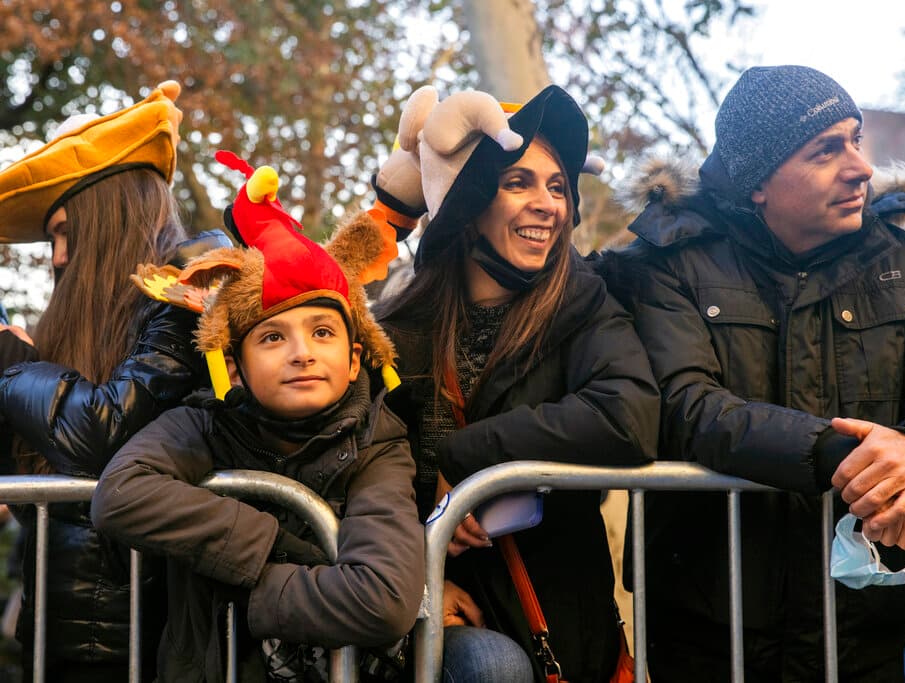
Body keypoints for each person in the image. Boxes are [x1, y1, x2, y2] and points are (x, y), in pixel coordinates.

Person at [601, 65, 905, 681]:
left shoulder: (903, 260)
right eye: (825, 150)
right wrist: (859, 463)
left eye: (856, 140)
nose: (860, 167)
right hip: (711, 625)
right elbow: (687, 404)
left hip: (865, 622)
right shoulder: (669, 260)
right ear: (758, 183)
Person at [91, 156, 424, 682]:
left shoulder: (377, 441)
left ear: (354, 359)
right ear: (235, 368)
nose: (302, 353)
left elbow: (381, 600)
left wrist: (242, 588)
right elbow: (120, 494)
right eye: (272, 337)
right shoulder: (204, 425)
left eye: (322, 332)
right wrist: (284, 549)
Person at [370, 83, 660, 682]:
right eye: (518, 183)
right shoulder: (395, 332)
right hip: (426, 615)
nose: (547, 204)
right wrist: (420, 584)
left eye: (557, 187)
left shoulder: (587, 307)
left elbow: (629, 416)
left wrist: (471, 454)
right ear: (467, 202)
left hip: (558, 624)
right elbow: (349, 473)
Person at [0, 81, 230, 681]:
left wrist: (10, 362)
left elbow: (106, 432)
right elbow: (32, 481)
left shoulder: (192, 287)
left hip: (154, 639)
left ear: (107, 215)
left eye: (63, 231)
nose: (56, 256)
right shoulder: (78, 324)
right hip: (57, 632)